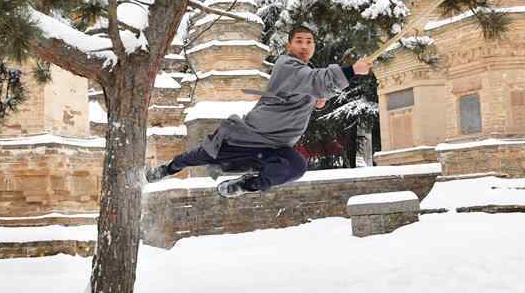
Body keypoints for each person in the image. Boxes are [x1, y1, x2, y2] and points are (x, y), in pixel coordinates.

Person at [145, 25, 373, 198]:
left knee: (296, 166)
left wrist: (316, 99)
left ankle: (247, 184)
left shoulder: (303, 73)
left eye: (309, 42)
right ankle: (167, 169)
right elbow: (315, 81)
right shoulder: (287, 66)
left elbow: (312, 87)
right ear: (289, 46)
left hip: (273, 147)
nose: (304, 46)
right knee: (195, 157)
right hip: (244, 138)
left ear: (314, 46)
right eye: (299, 41)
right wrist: (353, 70)